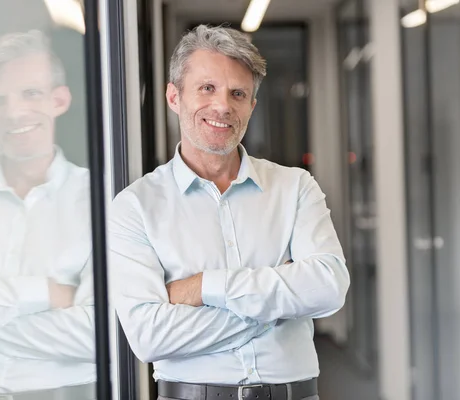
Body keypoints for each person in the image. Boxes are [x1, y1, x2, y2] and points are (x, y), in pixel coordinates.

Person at [109, 24, 350, 400]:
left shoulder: (295, 187)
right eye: (207, 88)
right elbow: (149, 337)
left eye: (238, 94)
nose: (223, 106)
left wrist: (205, 286)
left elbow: (328, 287)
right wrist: (278, 302)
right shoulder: (135, 206)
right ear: (174, 96)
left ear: (251, 107)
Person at [0, 30, 96, 399]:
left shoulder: (101, 201)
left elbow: (98, 333)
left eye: (30, 94)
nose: (14, 112)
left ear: (60, 100)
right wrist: (46, 293)